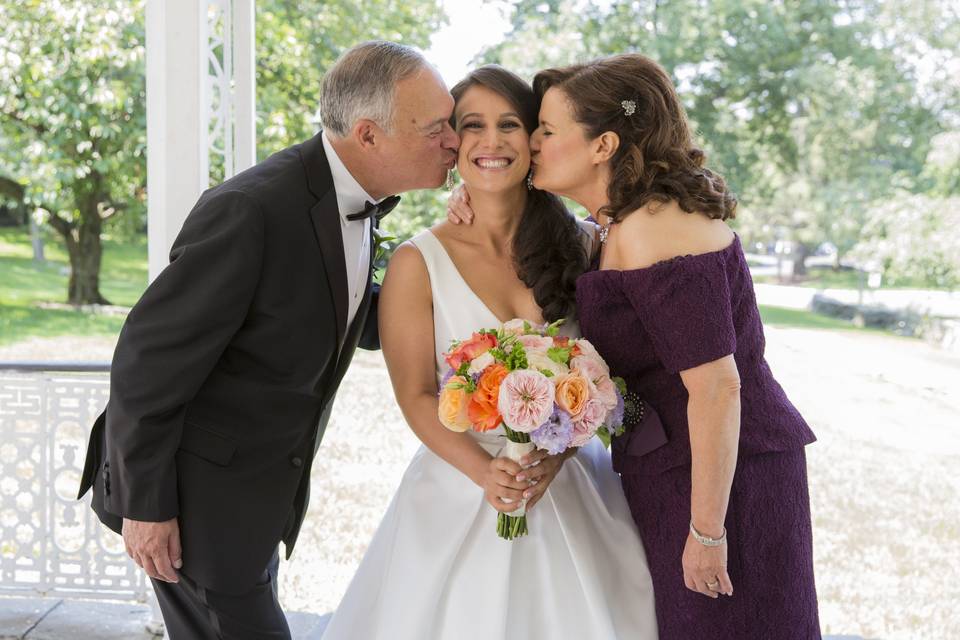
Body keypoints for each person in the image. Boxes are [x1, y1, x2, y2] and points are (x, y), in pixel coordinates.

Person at [76, 40, 458, 639]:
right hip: (192, 503)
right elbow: (147, 362)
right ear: (368, 135)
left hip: (252, 500)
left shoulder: (355, 201)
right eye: (438, 127)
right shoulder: (251, 210)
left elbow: (345, 308)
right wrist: (144, 506)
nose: (455, 141)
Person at [320, 65, 659, 640]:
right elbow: (415, 395)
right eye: (472, 125)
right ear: (452, 143)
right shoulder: (416, 261)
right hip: (461, 481)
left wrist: (561, 452)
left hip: (570, 486)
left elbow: (607, 371)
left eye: (510, 124)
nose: (491, 141)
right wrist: (487, 474)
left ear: (534, 140)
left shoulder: (584, 243)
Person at [533, 54, 820, 639]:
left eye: (546, 129)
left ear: (602, 145)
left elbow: (717, 385)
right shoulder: (623, 225)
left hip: (726, 481)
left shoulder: (657, 229)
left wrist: (708, 532)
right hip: (674, 472)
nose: (534, 141)